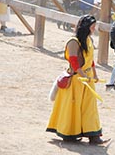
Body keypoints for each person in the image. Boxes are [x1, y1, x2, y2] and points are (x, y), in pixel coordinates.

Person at [46, 15, 107, 144]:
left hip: (87, 79)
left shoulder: (88, 40)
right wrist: (82, 75)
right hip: (76, 80)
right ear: (86, 27)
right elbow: (73, 61)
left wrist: (94, 75)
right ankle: (69, 133)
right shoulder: (73, 42)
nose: (93, 29)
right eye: (92, 26)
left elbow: (90, 60)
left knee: (90, 107)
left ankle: (94, 136)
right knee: (73, 106)